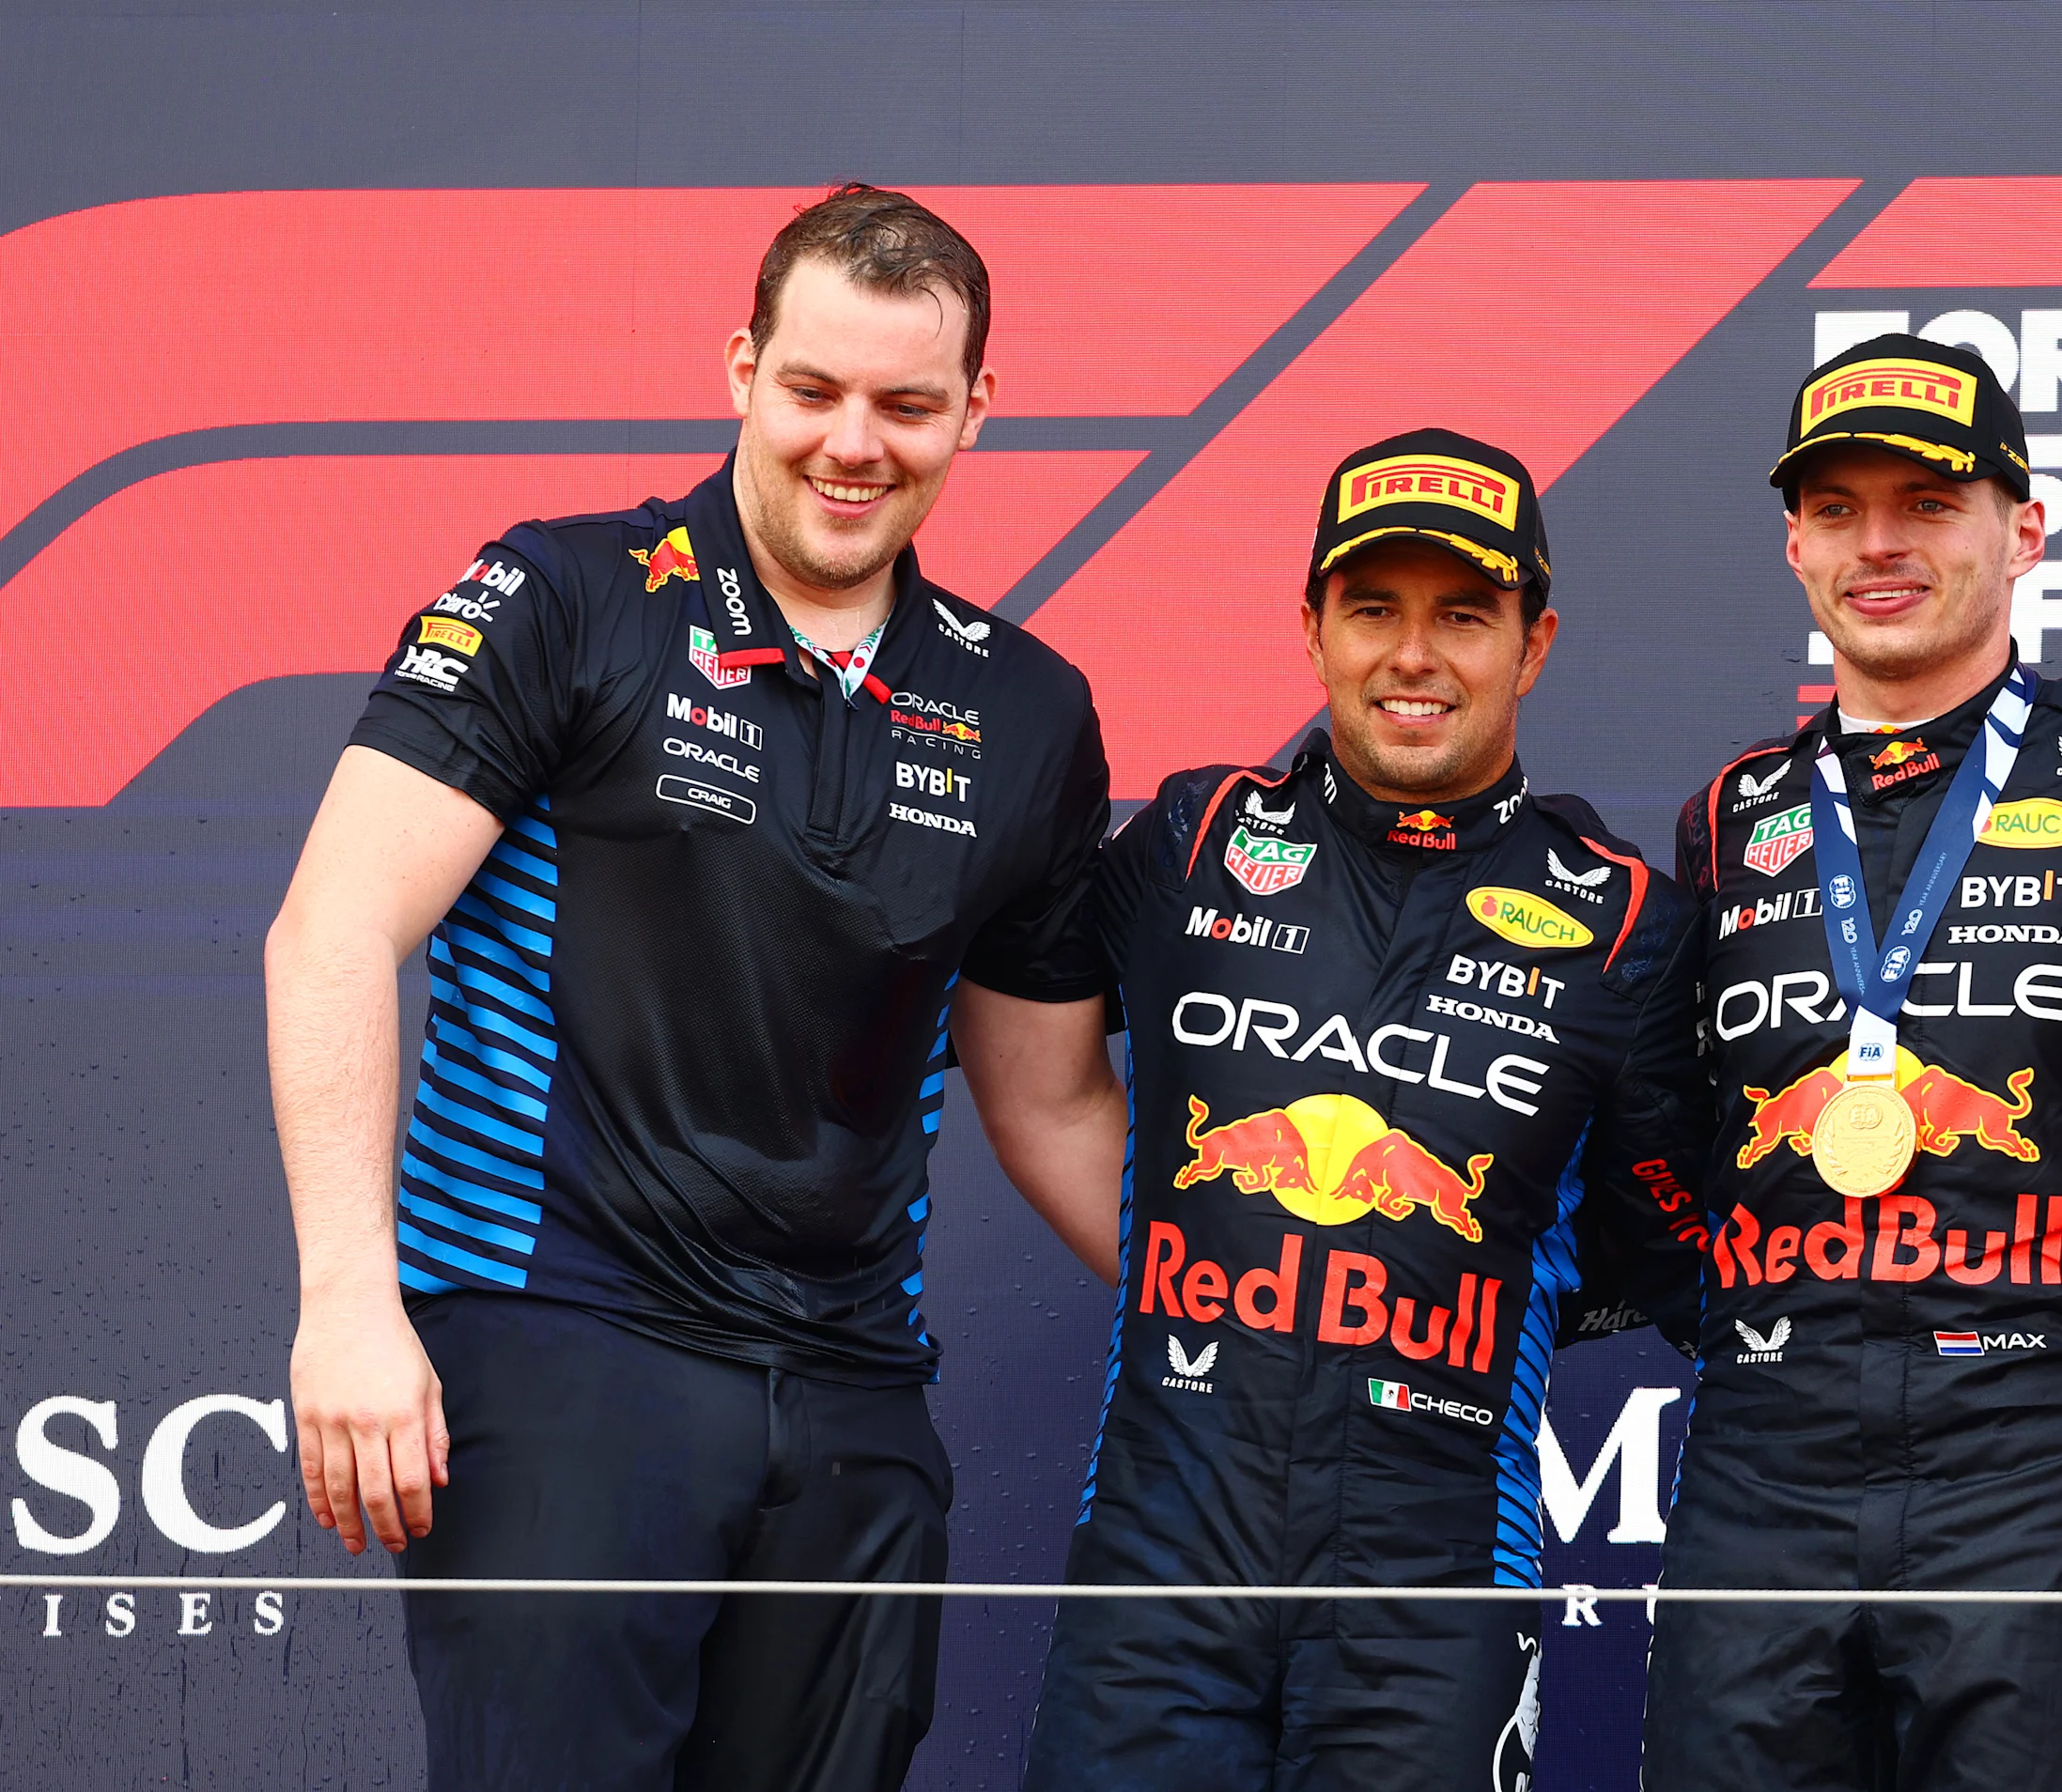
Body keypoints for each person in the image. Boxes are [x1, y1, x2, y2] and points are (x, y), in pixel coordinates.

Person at [266, 185, 1117, 1792]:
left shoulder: (1028, 709)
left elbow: (1050, 1099)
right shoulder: (564, 595)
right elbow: (333, 931)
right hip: (562, 1343)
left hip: (856, 1391)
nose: (852, 444)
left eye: (906, 404)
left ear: (975, 410)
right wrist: (348, 1304)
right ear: (741, 370)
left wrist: (1251, 1312)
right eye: (812, 390)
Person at [1011, 428, 1712, 1792]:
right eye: (1374, 609)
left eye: (1465, 616)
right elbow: (1020, 1037)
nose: (1414, 656)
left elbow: (1670, 1246)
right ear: (1314, 630)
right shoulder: (1195, 841)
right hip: (1158, 1567)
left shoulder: (1627, 923)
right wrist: (1211, 1266)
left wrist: (1466, 1298)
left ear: (1534, 644)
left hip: (1436, 1589)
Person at [1645, 334, 2062, 1792]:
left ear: (2024, 531)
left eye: (1929, 504)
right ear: (1795, 546)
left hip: (2032, 1461)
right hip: (1754, 1475)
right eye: (1837, 511)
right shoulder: (1730, 817)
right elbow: (1659, 1127)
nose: (1879, 545)